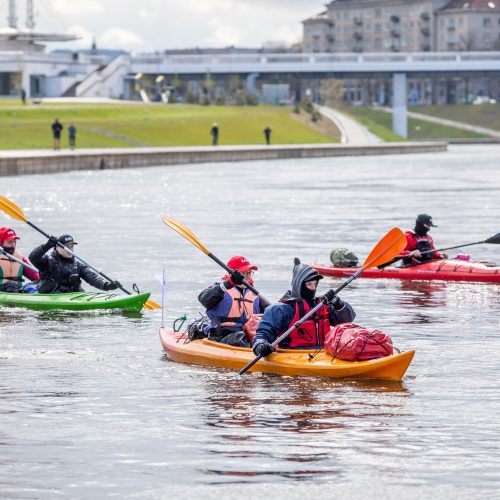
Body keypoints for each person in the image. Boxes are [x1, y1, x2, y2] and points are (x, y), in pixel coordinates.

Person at [252, 259, 355, 357]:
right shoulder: (280, 309)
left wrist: (338, 303)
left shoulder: (322, 305)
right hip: (293, 355)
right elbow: (261, 336)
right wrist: (261, 347)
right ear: (299, 284)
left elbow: (347, 320)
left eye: (315, 284)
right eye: (309, 284)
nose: (313, 288)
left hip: (323, 354)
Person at [198, 255, 269, 348]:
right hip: (222, 336)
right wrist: (229, 283)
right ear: (233, 274)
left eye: (250, 273)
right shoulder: (220, 289)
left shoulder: (254, 294)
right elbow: (203, 299)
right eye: (244, 274)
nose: (248, 277)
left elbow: (269, 314)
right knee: (240, 338)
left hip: (249, 335)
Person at [29, 234, 120, 294]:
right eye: (67, 247)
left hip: (74, 296)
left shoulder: (78, 265)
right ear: (57, 248)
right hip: (51, 296)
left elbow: (93, 278)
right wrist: (47, 245)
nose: (70, 249)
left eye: (72, 246)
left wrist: (107, 285)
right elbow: (33, 258)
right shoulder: (47, 261)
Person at [0, 228, 40, 292]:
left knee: (39, 283)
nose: (13, 245)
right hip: (2, 288)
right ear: (1, 243)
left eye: (14, 242)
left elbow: (35, 275)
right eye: (9, 242)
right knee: (11, 285)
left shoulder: (19, 258)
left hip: (17, 289)